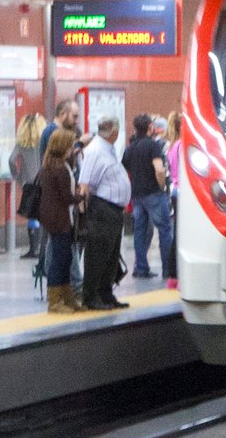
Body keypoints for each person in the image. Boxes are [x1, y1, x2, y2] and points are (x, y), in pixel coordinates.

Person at [79, 116, 132, 310]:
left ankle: (105, 294)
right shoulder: (95, 151)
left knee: (111, 255)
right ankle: (91, 297)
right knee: (97, 255)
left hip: (113, 211)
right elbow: (85, 184)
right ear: (115, 133)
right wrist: (84, 217)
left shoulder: (106, 150)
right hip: (101, 210)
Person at [123, 112, 173, 280]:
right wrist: (162, 185)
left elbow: (125, 167)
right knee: (165, 230)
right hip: (153, 193)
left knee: (140, 232)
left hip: (137, 195)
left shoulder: (131, 148)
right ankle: (168, 269)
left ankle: (141, 269)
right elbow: (159, 168)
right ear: (150, 127)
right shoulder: (153, 146)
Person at [37, 128, 79, 314]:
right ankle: (55, 301)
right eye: (70, 146)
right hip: (60, 219)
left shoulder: (48, 166)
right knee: (60, 259)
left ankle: (66, 297)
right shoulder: (60, 169)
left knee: (64, 257)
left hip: (51, 218)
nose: (72, 149)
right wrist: (83, 197)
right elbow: (66, 198)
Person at [10, 113, 46, 260]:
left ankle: (33, 248)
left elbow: (12, 160)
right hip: (44, 181)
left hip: (29, 183)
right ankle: (43, 247)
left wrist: (17, 177)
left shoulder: (21, 143)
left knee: (32, 215)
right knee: (44, 214)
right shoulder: (44, 141)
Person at [165, 111, 183, 287]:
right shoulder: (182, 146)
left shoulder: (172, 146)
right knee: (180, 235)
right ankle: (174, 274)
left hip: (175, 191)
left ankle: (173, 275)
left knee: (177, 233)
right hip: (183, 192)